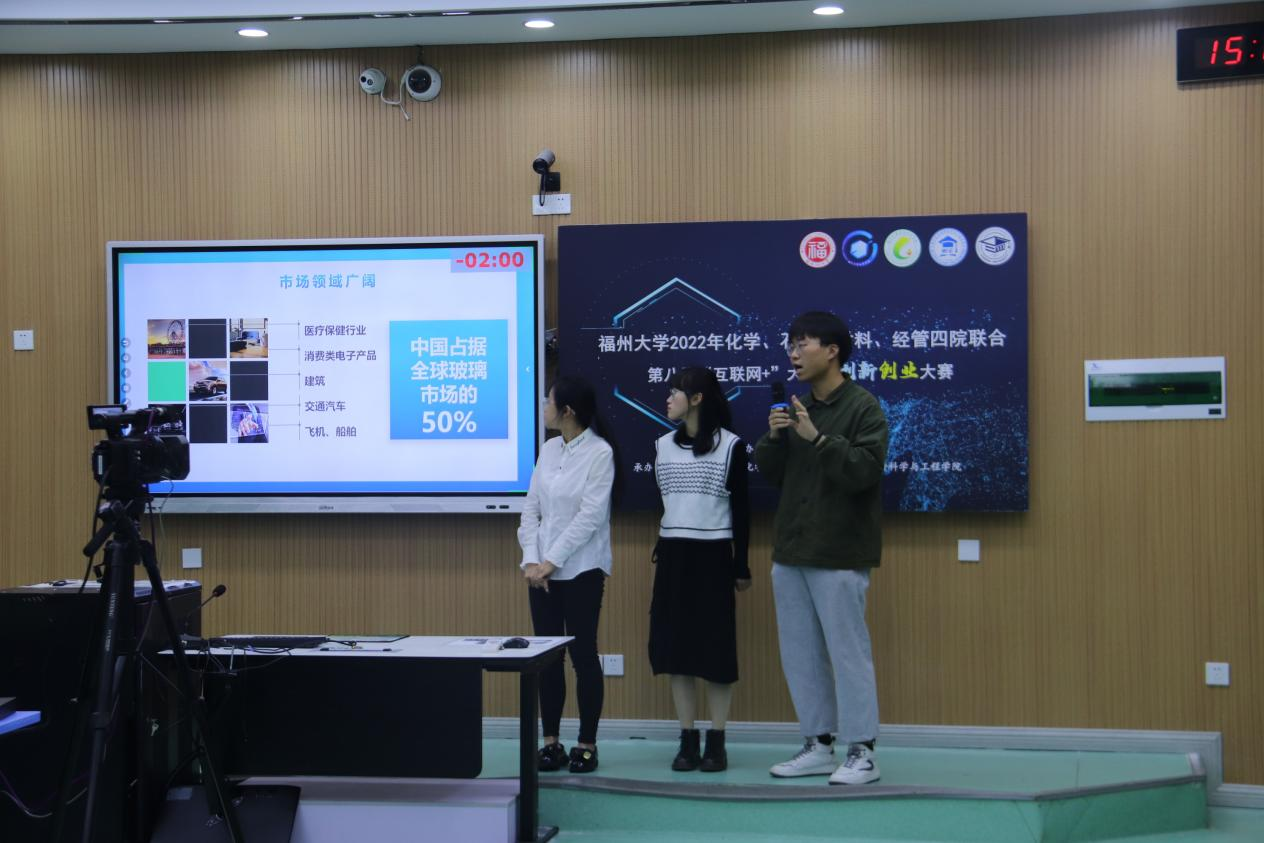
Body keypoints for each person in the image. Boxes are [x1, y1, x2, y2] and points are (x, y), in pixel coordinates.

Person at [753, 311, 889, 786]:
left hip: (840, 551)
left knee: (848, 653)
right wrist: (776, 437)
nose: (793, 353)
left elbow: (865, 471)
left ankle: (862, 752)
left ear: (832, 351)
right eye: (791, 344)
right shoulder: (796, 407)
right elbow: (772, 473)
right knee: (800, 653)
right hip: (791, 548)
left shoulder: (863, 406)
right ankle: (818, 745)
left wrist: (817, 438)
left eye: (803, 344)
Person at [649, 366, 751, 773]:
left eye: (675, 391)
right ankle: (687, 739)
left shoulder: (732, 446)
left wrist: (741, 565)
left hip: (713, 556)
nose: (668, 398)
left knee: (715, 652)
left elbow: (742, 511)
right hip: (673, 555)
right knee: (677, 652)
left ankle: (717, 741)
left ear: (697, 399)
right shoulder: (661, 446)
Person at [517, 375, 619, 774]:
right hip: (540, 574)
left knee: (583, 656)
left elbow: (590, 517)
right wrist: (531, 560)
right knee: (547, 658)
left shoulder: (600, 453)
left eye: (549, 402)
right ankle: (551, 743)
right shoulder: (548, 449)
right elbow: (531, 509)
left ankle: (587, 744)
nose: (544, 408)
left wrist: (552, 560)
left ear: (568, 411)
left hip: (581, 570)